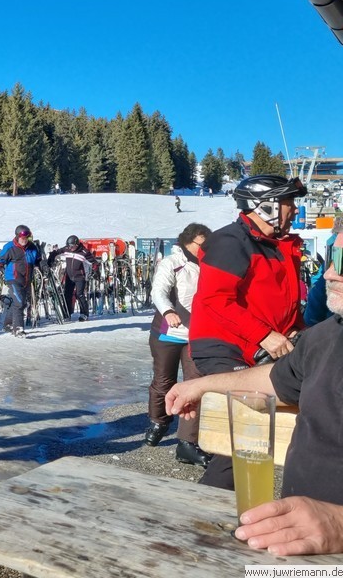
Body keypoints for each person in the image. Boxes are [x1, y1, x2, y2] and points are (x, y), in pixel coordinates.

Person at [166, 242, 343, 556]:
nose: (330, 273)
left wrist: (338, 523)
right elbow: (277, 380)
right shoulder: (326, 336)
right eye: (334, 258)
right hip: (290, 546)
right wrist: (203, 386)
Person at [188, 174, 307, 490]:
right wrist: (265, 335)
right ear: (265, 206)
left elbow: (286, 303)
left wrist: (299, 331)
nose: (295, 209)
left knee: (263, 431)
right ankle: (208, 506)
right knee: (249, 429)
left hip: (260, 346)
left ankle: (250, 500)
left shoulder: (279, 246)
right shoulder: (230, 242)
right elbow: (215, 300)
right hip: (224, 346)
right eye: (288, 202)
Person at [142, 222, 212, 466]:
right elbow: (158, 292)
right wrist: (168, 311)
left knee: (194, 385)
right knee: (164, 381)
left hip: (197, 334)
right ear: (188, 242)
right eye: (201, 244)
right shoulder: (171, 262)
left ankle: (187, 443)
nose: (205, 248)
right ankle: (159, 421)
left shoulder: (209, 265)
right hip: (168, 332)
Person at [0, 225, 40, 337]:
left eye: (27, 238)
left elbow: (38, 260)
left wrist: (44, 267)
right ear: (17, 236)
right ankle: (18, 328)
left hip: (27, 280)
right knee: (20, 303)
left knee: (18, 303)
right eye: (22, 238)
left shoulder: (32, 247)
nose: (24, 240)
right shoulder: (10, 247)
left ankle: (8, 324)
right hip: (13, 279)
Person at [48, 235, 99, 321]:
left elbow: (94, 263)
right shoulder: (67, 249)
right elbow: (56, 252)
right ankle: (67, 313)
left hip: (80, 277)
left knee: (79, 295)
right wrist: (51, 258)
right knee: (67, 294)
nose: (70, 248)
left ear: (77, 245)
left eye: (72, 246)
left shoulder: (84, 252)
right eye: (69, 246)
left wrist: (95, 271)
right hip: (69, 276)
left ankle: (84, 314)